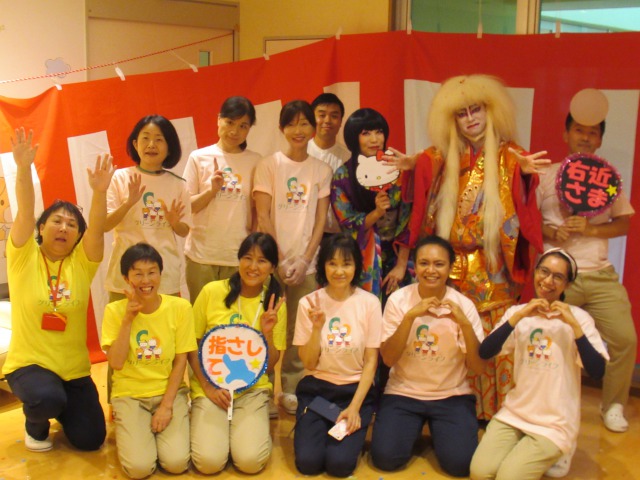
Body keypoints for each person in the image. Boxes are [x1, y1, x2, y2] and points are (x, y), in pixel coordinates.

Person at [386, 74, 549, 419]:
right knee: (451, 337)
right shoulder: (442, 156)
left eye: (476, 110)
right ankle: (453, 410)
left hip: (493, 268)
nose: (471, 119)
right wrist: (412, 165)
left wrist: (523, 173)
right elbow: (422, 178)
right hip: (450, 270)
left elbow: (522, 188)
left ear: (491, 111)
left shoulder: (508, 154)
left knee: (495, 341)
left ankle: (499, 414)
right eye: (462, 113)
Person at [3, 127, 112, 452]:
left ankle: (62, 405)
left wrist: (100, 192)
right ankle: (36, 424)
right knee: (45, 398)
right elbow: (25, 211)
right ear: (41, 227)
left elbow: (97, 228)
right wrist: (24, 167)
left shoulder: (82, 263)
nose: (64, 227)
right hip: (30, 364)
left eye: (72, 224)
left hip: (73, 370)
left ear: (78, 236)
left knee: (91, 440)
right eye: (56, 221)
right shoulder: (24, 256)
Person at [538, 105, 636, 433]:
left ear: (600, 140)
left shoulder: (607, 179)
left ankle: (613, 405)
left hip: (600, 274)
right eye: (579, 130)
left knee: (625, 339)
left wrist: (591, 229)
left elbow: (623, 223)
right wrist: (552, 232)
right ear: (566, 134)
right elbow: (527, 222)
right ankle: (546, 405)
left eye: (593, 132)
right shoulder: (546, 175)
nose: (585, 137)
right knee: (548, 340)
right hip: (557, 275)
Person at [470, 248, 608, 480]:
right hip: (515, 413)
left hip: (554, 423)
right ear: (535, 272)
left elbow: (597, 371)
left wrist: (574, 326)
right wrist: (517, 317)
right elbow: (485, 352)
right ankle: (525, 448)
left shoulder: (579, 318)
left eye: (558, 276)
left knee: (507, 478)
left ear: (568, 284)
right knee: (479, 472)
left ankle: (559, 450)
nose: (548, 281)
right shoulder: (518, 313)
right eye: (544, 271)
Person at [370, 236, 485, 477]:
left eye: (439, 264)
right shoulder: (399, 300)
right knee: (385, 459)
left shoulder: (464, 305)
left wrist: (464, 324)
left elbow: (478, 366)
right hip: (403, 392)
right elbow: (388, 359)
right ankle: (412, 428)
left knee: (461, 465)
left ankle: (440, 430)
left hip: (451, 394)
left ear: (450, 267)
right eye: (424, 263)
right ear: (415, 266)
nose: (431, 270)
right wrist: (410, 317)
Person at [253, 99, 333, 416]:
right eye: (291, 124)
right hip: (270, 263)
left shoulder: (321, 169)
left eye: (304, 123)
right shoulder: (269, 165)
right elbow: (263, 215)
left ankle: (291, 389)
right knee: (266, 324)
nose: (298, 130)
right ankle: (259, 389)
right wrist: (281, 259)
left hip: (307, 265)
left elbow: (320, 220)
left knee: (299, 329)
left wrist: (304, 259)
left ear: (313, 127)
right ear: (281, 128)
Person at [188, 232, 286, 474]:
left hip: (252, 391)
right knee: (208, 463)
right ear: (239, 260)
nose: (253, 267)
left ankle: (248, 431)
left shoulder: (274, 304)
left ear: (272, 268)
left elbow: (270, 364)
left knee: (249, 462)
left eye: (262, 261)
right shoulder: (212, 292)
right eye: (247, 258)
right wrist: (208, 387)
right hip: (211, 388)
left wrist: (267, 333)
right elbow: (191, 346)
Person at [101, 243, 196, 479]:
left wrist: (166, 406)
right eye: (138, 274)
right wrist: (128, 320)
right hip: (130, 395)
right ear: (126, 278)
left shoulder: (180, 308)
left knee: (176, 463)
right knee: (139, 468)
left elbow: (181, 361)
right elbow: (116, 363)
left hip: (168, 393)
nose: (146, 280)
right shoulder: (114, 311)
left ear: (160, 274)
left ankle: (166, 423)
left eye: (152, 272)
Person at [293, 233, 382, 477]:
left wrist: (354, 408)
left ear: (356, 266)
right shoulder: (308, 303)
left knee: (339, 465)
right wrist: (316, 328)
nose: (339, 271)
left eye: (346, 263)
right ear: (323, 265)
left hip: (354, 392)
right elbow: (308, 362)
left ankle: (352, 425)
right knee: (308, 463)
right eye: (332, 263)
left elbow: (371, 362)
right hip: (317, 391)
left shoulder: (370, 303)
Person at [104, 114, 192, 301]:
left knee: (164, 320)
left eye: (159, 139)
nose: (151, 145)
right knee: (123, 320)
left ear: (169, 147)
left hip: (164, 274)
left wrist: (175, 222)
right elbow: (105, 224)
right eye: (145, 138)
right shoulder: (120, 178)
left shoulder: (179, 184)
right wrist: (128, 203)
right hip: (125, 275)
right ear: (135, 144)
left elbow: (184, 230)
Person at [183, 96, 261, 302]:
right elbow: (187, 207)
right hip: (200, 257)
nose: (235, 131)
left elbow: (259, 211)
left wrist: (253, 251)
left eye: (243, 126)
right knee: (200, 319)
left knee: (234, 317)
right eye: (230, 122)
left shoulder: (256, 161)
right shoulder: (198, 157)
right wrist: (212, 190)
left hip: (238, 257)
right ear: (219, 119)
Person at [331, 108, 412, 302]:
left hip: (399, 255)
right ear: (354, 138)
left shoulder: (399, 170)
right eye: (366, 133)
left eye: (379, 132)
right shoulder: (343, 176)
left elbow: (409, 221)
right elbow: (347, 223)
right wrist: (376, 212)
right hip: (362, 258)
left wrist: (401, 265)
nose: (374, 139)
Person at [307, 93, 351, 237]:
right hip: (305, 232)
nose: (327, 120)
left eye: (334, 116)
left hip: (337, 233)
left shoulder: (348, 158)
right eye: (322, 115)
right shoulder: (301, 152)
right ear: (312, 118)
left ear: (341, 121)